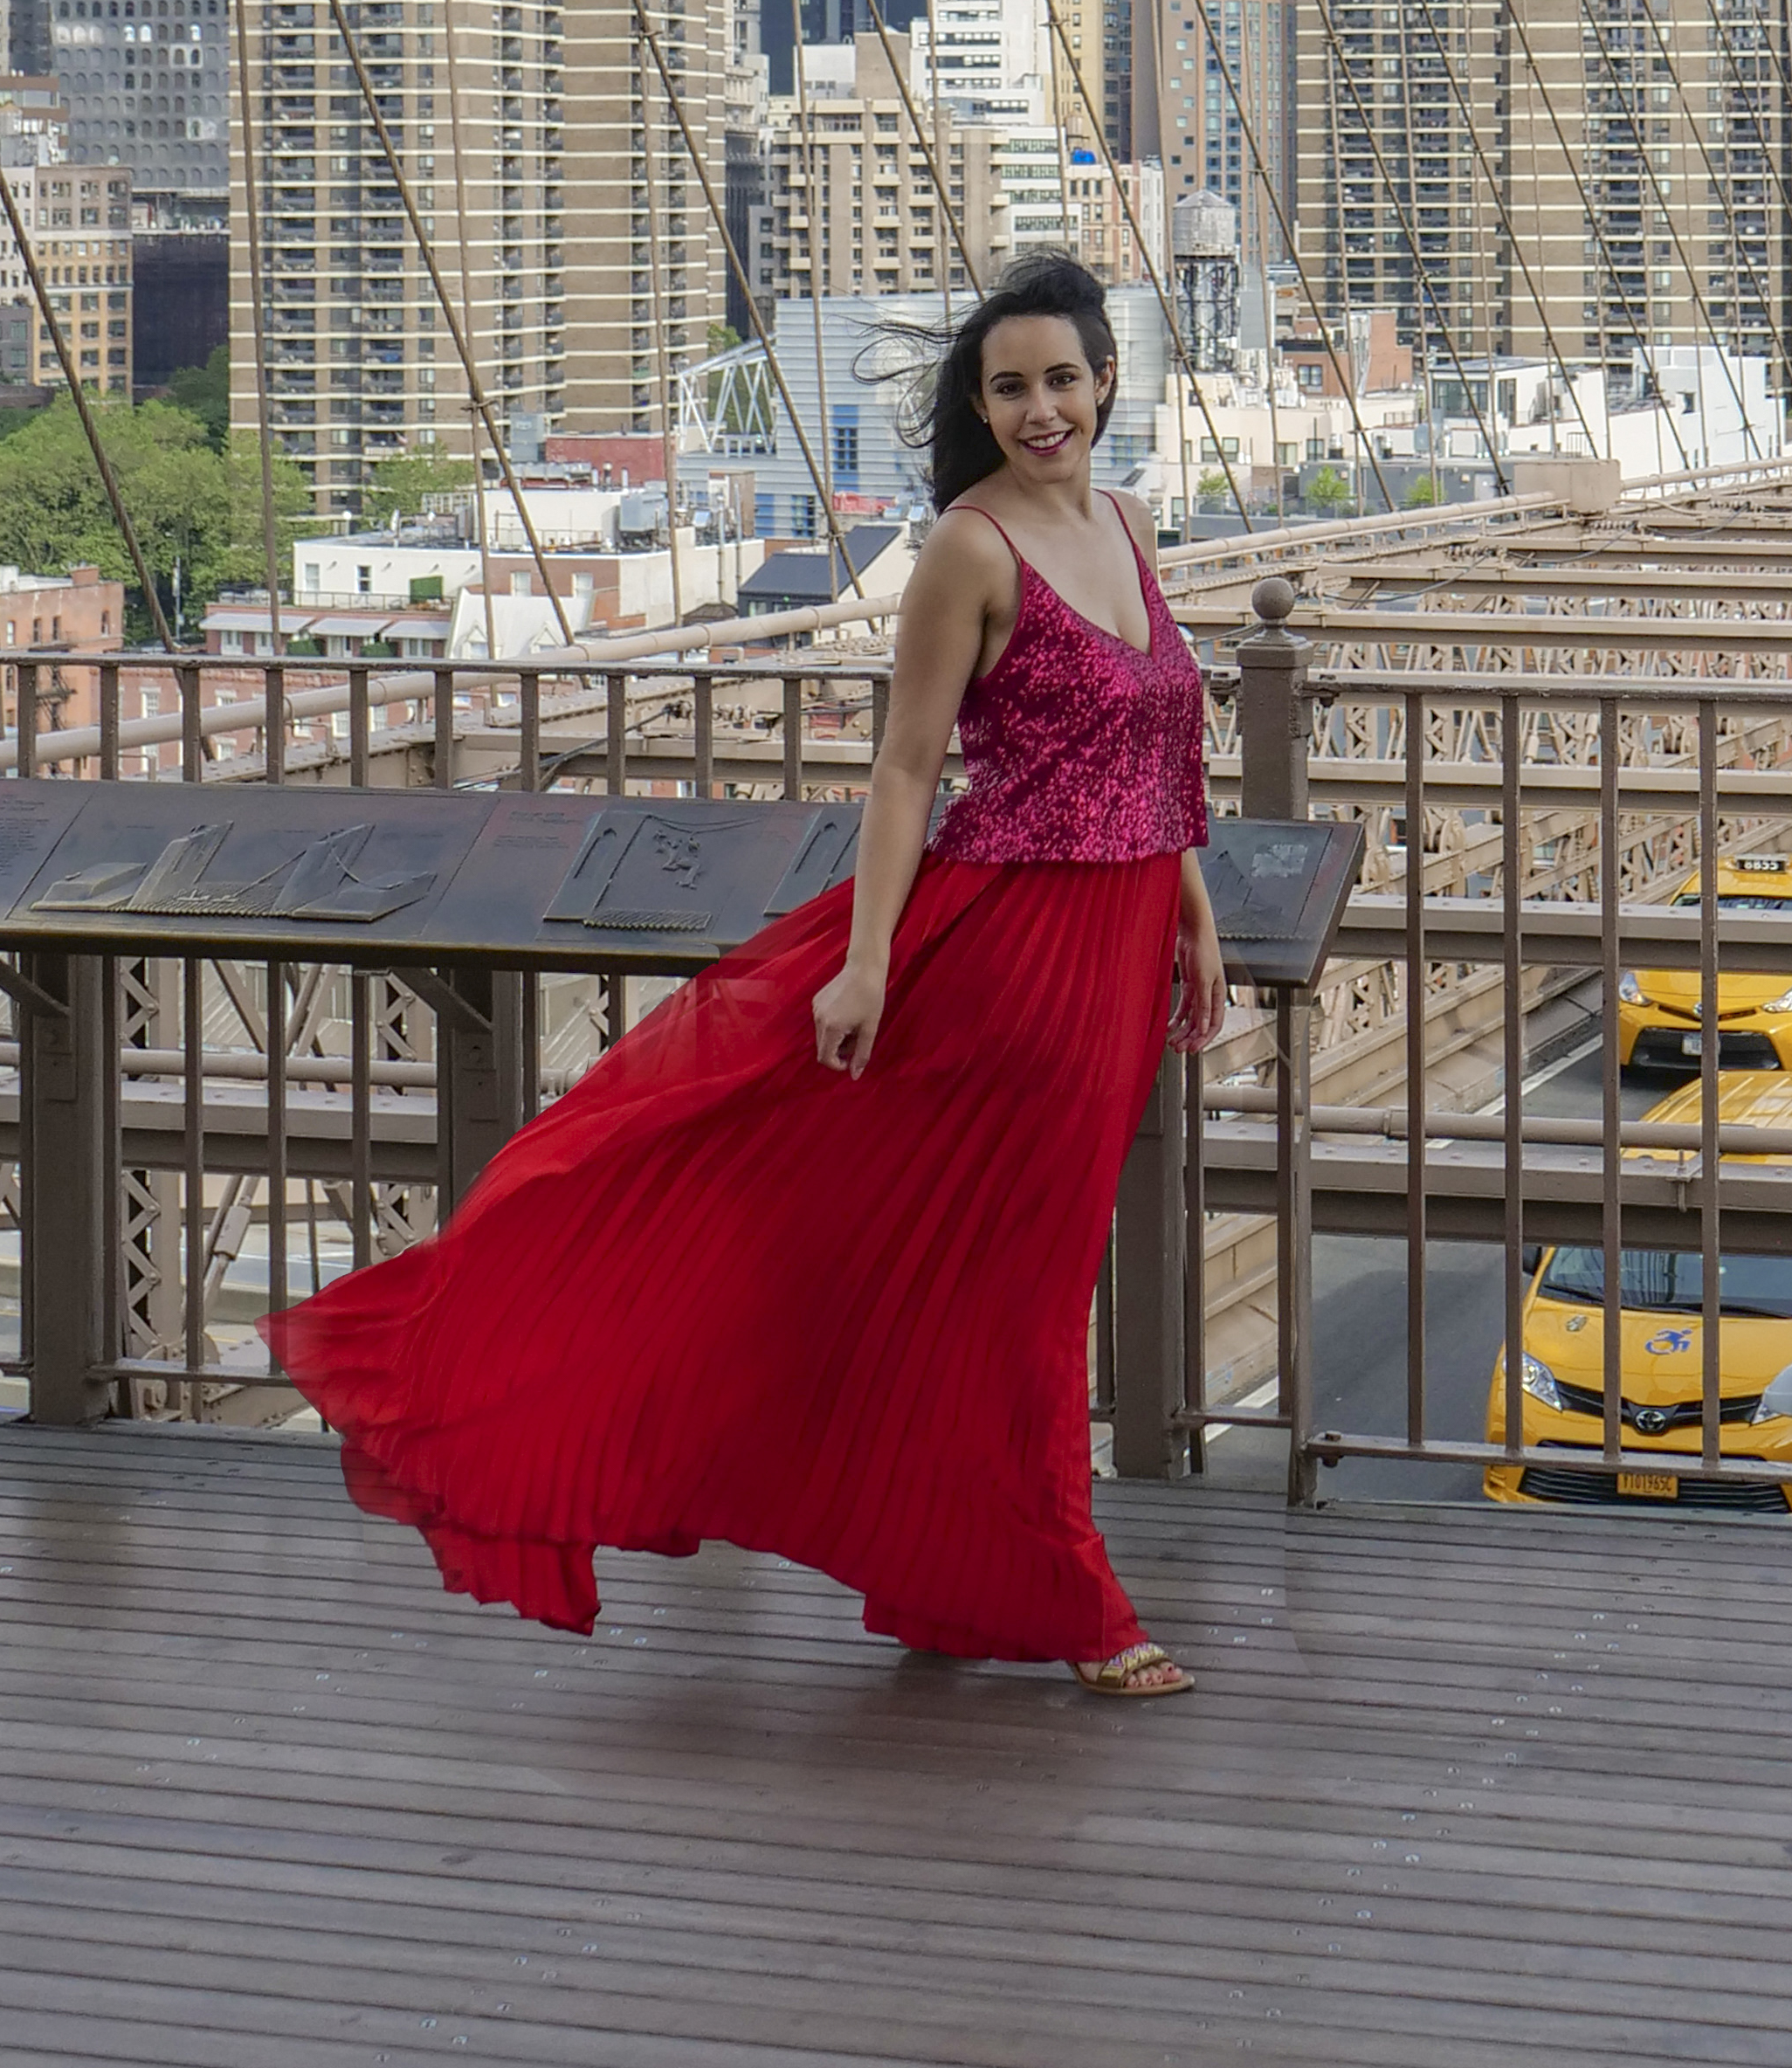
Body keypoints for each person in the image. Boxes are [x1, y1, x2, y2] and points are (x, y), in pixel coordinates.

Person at [265, 254, 1230, 1699]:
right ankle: (1073, 1603)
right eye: (1010, 387)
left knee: (989, 1281)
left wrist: (1195, 918)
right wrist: (863, 968)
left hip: (1119, 943)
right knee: (1015, 1292)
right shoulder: (970, 549)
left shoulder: (1131, 526)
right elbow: (906, 772)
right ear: (981, 407)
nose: (1043, 409)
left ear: (1107, 384)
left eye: (1064, 380)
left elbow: (1157, 757)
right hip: (1007, 956)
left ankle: (941, 1571)